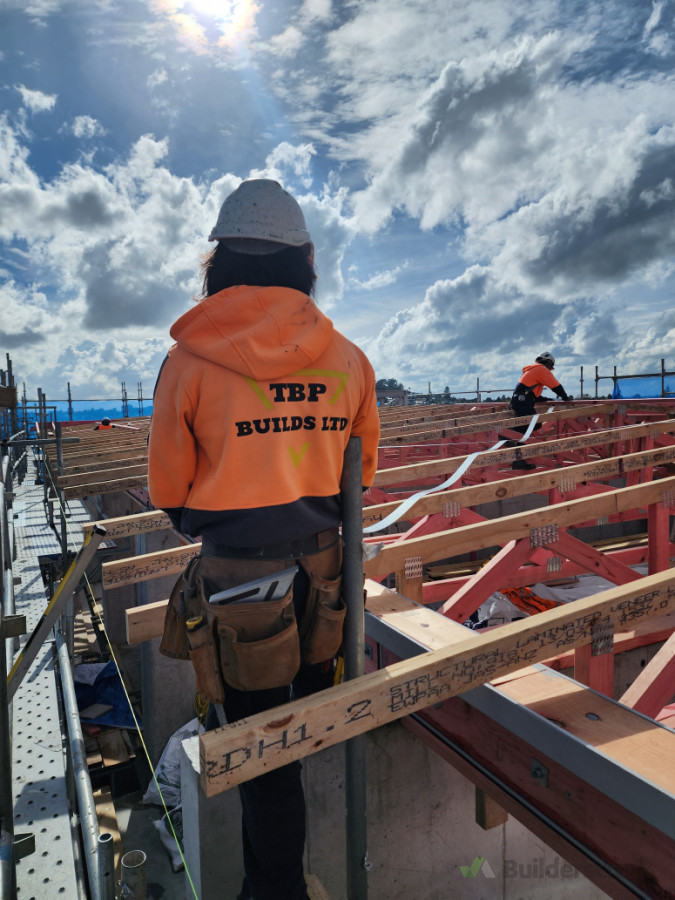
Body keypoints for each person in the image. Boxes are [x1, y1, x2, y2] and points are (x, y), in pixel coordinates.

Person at [147, 178, 380, 900]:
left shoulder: (188, 363)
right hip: (326, 584)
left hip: (239, 589)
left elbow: (169, 491)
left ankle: (271, 889)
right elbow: (359, 476)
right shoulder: (346, 360)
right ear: (305, 259)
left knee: (264, 756)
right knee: (308, 726)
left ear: (217, 263)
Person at [504, 351, 571, 470]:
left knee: (524, 429)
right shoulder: (541, 370)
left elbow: (535, 396)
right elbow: (556, 386)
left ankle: (518, 459)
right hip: (522, 401)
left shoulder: (533, 371)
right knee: (532, 424)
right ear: (547, 362)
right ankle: (506, 435)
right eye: (551, 367)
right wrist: (565, 398)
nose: (550, 370)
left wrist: (550, 399)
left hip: (520, 401)